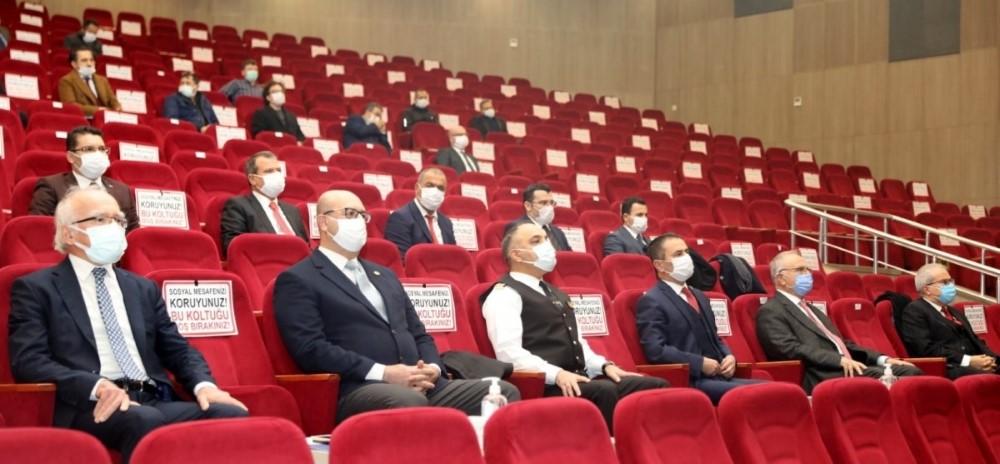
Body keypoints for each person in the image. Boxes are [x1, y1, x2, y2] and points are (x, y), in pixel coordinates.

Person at [8, 189, 248, 463]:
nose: (113, 227)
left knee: (231, 414)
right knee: (144, 420)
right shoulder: (36, 288)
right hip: (89, 404)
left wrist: (204, 385)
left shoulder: (142, 287)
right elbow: (29, 361)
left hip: (152, 398)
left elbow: (178, 349)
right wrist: (97, 386)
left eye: (118, 220)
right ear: (69, 234)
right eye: (100, 219)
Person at [273, 190, 520, 422]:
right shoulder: (299, 278)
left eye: (362, 215)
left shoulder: (385, 275)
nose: (358, 221)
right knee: (408, 400)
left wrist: (433, 368)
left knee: (503, 392)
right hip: (361, 387)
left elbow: (419, 333)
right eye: (349, 213)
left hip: (423, 384)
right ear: (323, 222)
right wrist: (385, 373)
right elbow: (311, 349)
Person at [482, 222, 668, 430]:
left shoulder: (556, 293)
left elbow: (578, 344)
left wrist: (605, 366)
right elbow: (508, 353)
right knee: (604, 391)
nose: (546, 244)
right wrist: (557, 374)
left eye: (546, 238)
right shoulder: (504, 294)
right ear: (516, 255)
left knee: (654, 385)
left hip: (577, 378)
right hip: (544, 384)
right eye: (536, 241)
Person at [756, 251, 922, 393]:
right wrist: (838, 360)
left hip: (847, 367)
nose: (807, 274)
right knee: (897, 379)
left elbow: (841, 343)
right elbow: (789, 349)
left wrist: (882, 359)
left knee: (911, 371)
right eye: (800, 270)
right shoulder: (771, 311)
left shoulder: (812, 309)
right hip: (822, 372)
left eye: (808, 269)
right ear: (781, 279)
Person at [636, 233, 764, 403]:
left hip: (720, 377)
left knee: (772, 389)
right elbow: (656, 350)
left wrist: (729, 356)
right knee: (758, 395)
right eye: (678, 254)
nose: (686, 258)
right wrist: (699, 363)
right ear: (659, 265)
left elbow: (716, 338)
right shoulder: (652, 300)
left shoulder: (699, 295)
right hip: (691, 380)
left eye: (686, 252)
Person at [29, 126, 138, 232]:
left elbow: (133, 234)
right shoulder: (51, 186)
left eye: (102, 149)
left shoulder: (123, 191)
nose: (98, 154)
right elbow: (40, 231)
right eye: (89, 149)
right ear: (70, 157)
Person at [899, 263, 998, 378]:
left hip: (974, 363)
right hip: (948, 368)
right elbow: (926, 349)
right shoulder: (915, 310)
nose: (951, 285)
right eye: (945, 282)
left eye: (951, 281)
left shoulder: (954, 311)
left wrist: (991, 359)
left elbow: (975, 340)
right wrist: (968, 361)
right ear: (927, 289)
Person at [220, 151, 308, 255]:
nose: (276, 175)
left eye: (278, 170)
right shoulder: (238, 205)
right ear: (253, 179)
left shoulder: (293, 210)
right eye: (269, 171)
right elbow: (234, 246)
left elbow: (305, 246)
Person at [384, 167, 455, 262]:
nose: (435, 192)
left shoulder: (447, 223)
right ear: (417, 189)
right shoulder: (399, 218)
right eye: (429, 186)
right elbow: (402, 260)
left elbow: (453, 256)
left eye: (440, 188)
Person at [504, 183, 570, 251]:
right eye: (543, 203)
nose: (550, 207)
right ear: (528, 206)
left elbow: (569, 255)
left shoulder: (558, 231)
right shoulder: (517, 228)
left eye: (551, 203)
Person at [58, 48, 121, 118]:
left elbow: (112, 100)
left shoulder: (102, 80)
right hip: (84, 118)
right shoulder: (67, 81)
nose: (89, 64)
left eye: (91, 60)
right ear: (74, 64)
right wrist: (98, 110)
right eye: (84, 60)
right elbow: (71, 105)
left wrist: (117, 107)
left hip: (106, 117)